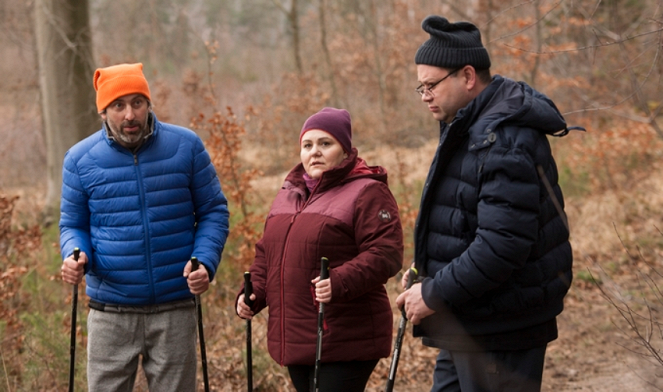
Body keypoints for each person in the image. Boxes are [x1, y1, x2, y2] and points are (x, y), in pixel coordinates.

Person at [396, 16, 579, 392]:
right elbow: (467, 217)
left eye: (431, 85)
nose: (425, 95)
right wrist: (426, 269)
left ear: (467, 76)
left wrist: (432, 293)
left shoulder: (504, 137)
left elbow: (503, 244)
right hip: (469, 318)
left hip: (502, 330)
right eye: (421, 87)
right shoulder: (467, 125)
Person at [59, 62, 229, 391]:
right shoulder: (80, 159)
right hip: (110, 309)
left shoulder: (186, 146)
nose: (129, 115)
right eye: (118, 105)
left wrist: (205, 260)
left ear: (149, 104)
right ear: (103, 111)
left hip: (174, 305)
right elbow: (73, 224)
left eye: (137, 102)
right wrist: (76, 253)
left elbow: (213, 210)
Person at [236, 107, 403, 392]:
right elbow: (267, 254)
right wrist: (254, 293)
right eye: (307, 145)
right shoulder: (288, 194)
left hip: (345, 334)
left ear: (345, 149)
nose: (315, 152)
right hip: (296, 336)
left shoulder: (367, 191)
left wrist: (338, 281)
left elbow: (385, 253)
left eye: (325, 144)